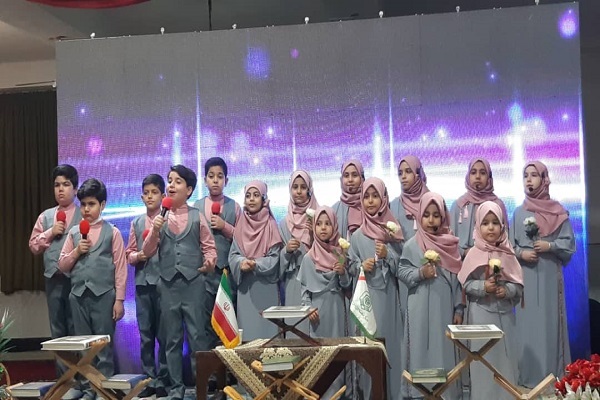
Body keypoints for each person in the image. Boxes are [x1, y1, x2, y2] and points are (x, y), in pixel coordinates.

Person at [142, 165, 217, 400]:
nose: (171, 185)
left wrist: (210, 262)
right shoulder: (160, 218)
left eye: (177, 181)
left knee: (198, 337)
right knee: (171, 339)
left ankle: (201, 386)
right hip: (167, 286)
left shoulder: (197, 216)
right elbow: (147, 251)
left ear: (189, 189)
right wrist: (154, 231)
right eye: (170, 180)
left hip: (194, 285)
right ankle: (176, 388)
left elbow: (209, 246)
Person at [58, 178, 127, 400]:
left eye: (92, 204)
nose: (87, 209)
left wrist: (119, 300)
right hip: (78, 296)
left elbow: (120, 268)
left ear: (102, 205)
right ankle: (88, 389)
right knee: (84, 348)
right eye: (84, 204)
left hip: (104, 296)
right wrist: (77, 251)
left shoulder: (112, 232)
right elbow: (62, 265)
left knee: (103, 347)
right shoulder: (74, 233)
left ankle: (103, 390)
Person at [510, 161, 575, 388]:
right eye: (525, 175)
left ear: (544, 179)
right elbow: (508, 246)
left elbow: (569, 245)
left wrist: (550, 246)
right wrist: (522, 253)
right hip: (526, 281)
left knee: (549, 327)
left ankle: (551, 377)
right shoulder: (518, 213)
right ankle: (528, 377)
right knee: (527, 328)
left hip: (549, 280)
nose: (529, 179)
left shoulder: (558, 211)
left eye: (534, 175)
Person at [398, 192, 463, 400]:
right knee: (418, 347)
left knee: (443, 348)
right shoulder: (411, 245)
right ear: (419, 216)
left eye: (436, 215)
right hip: (417, 306)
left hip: (443, 307)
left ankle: (445, 393)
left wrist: (458, 308)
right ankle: (418, 393)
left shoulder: (451, 246)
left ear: (443, 217)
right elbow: (402, 272)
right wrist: (420, 273)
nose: (431, 220)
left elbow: (457, 280)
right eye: (426, 215)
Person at [458, 201, 523, 399]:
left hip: (505, 316)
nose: (491, 227)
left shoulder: (508, 252)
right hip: (480, 315)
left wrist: (507, 290)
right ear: (478, 226)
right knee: (482, 361)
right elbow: (465, 285)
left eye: (495, 222)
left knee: (506, 360)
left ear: (502, 225)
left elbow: (518, 286)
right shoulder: (473, 254)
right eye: (485, 223)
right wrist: (483, 287)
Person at [348, 177, 404, 400]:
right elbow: (349, 265)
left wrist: (387, 254)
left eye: (375, 196)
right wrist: (360, 266)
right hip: (367, 299)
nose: (370, 201)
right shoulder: (356, 236)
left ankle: (392, 394)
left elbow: (402, 268)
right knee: (368, 345)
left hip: (388, 298)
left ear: (384, 199)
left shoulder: (393, 232)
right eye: (366, 197)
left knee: (390, 345)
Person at [29, 164, 81, 389]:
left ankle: (82, 379)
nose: (61, 189)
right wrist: (51, 232)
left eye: (66, 185)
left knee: (77, 329)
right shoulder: (46, 216)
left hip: (77, 281)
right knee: (58, 331)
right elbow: (33, 245)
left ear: (75, 189)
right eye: (57, 185)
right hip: (54, 280)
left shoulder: (84, 213)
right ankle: (65, 380)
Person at [298, 206, 350, 398]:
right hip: (318, 315)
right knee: (319, 356)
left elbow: (346, 286)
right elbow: (304, 291)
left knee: (338, 353)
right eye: (319, 224)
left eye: (328, 223)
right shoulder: (308, 258)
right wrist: (308, 309)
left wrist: (342, 272)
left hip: (337, 311)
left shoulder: (340, 255)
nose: (323, 228)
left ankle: (339, 395)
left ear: (334, 226)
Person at [124, 174, 169, 398]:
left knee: (165, 334)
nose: (150, 196)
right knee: (146, 335)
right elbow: (129, 253)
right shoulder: (136, 223)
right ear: (141, 197)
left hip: (164, 284)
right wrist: (138, 256)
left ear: (163, 195)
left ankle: (164, 380)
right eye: (146, 193)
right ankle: (149, 379)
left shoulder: (169, 221)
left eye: (154, 192)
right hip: (143, 284)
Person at [193, 157, 242, 348]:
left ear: (226, 181)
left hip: (226, 274)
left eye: (220, 176)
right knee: (205, 323)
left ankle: (229, 364)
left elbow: (244, 239)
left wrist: (225, 226)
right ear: (205, 180)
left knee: (228, 321)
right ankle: (209, 365)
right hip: (204, 275)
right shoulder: (196, 207)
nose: (215, 180)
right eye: (211, 176)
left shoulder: (234, 207)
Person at [228, 181, 282, 341]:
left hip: (266, 288)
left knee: (269, 337)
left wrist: (255, 264)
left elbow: (275, 258)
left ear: (264, 199)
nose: (251, 199)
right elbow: (233, 255)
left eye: (256, 195)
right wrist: (241, 263)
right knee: (248, 337)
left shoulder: (271, 225)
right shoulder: (240, 224)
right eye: (248, 196)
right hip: (246, 289)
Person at [450, 158, 508, 258]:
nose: (477, 176)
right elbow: (449, 238)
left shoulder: (497, 205)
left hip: (493, 261)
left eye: (482, 173)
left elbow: (506, 239)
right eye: (473, 172)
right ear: (468, 176)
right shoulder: (459, 205)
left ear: (489, 177)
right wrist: (463, 252)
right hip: (462, 262)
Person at [279, 170, 318, 309]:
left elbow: (330, 249)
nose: (299, 191)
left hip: (317, 278)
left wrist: (314, 235)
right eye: (295, 187)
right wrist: (287, 250)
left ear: (309, 190)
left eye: (303, 187)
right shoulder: (284, 223)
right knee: (296, 319)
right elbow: (277, 261)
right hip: (293, 281)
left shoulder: (320, 217)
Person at [332, 160, 365, 239]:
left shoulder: (370, 206)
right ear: (341, 180)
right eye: (346, 176)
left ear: (362, 179)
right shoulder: (334, 210)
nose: (350, 180)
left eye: (355, 175)